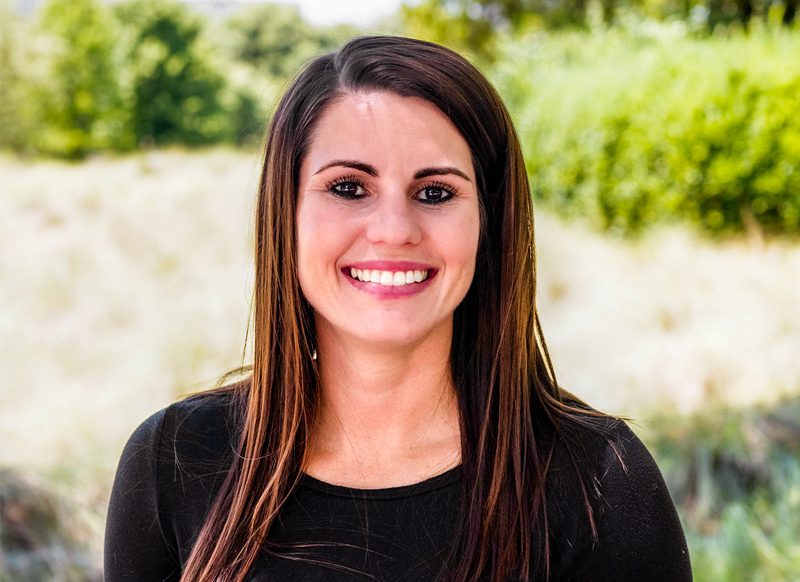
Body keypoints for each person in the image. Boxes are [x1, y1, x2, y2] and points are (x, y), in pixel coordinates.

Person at [104, 35, 692, 581]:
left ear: (489, 225)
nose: (393, 230)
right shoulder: (174, 462)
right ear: (285, 215)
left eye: (435, 193)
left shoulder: (601, 484)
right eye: (348, 188)